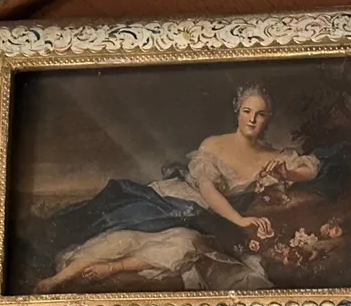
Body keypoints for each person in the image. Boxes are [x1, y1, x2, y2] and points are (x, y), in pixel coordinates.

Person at [35, 85, 326, 293]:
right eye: (247, 111)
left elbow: (310, 169)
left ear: (268, 118)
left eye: (260, 114)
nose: (252, 119)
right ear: (237, 113)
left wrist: (286, 172)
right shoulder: (214, 145)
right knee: (129, 234)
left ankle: (110, 269)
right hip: (180, 202)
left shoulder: (271, 155)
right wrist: (240, 220)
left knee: (185, 243)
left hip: (209, 220)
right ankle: (61, 278)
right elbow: (207, 189)